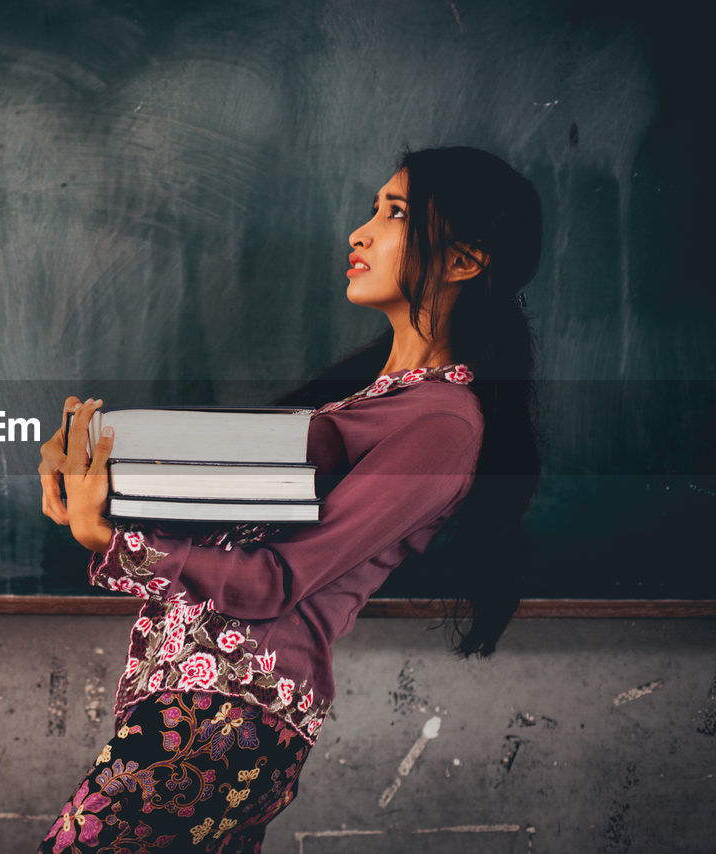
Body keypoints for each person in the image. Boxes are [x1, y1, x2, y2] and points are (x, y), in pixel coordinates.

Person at [35, 146, 543, 853]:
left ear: (463, 261)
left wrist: (114, 543)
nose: (360, 232)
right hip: (200, 711)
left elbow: (276, 579)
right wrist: (93, 488)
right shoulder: (364, 404)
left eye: (393, 213)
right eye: (372, 209)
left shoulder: (440, 423)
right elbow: (230, 539)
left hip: (224, 719)